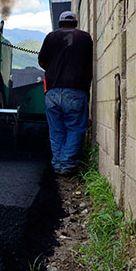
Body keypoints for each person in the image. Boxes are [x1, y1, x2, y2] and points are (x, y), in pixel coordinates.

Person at [38, 11, 93, 176]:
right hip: (75, 91)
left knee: (56, 130)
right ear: (75, 22)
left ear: (59, 23)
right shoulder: (85, 37)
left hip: (53, 92)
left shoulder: (50, 37)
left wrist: (54, 69)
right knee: (75, 128)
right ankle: (67, 166)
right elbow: (88, 62)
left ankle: (58, 164)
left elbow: (41, 61)